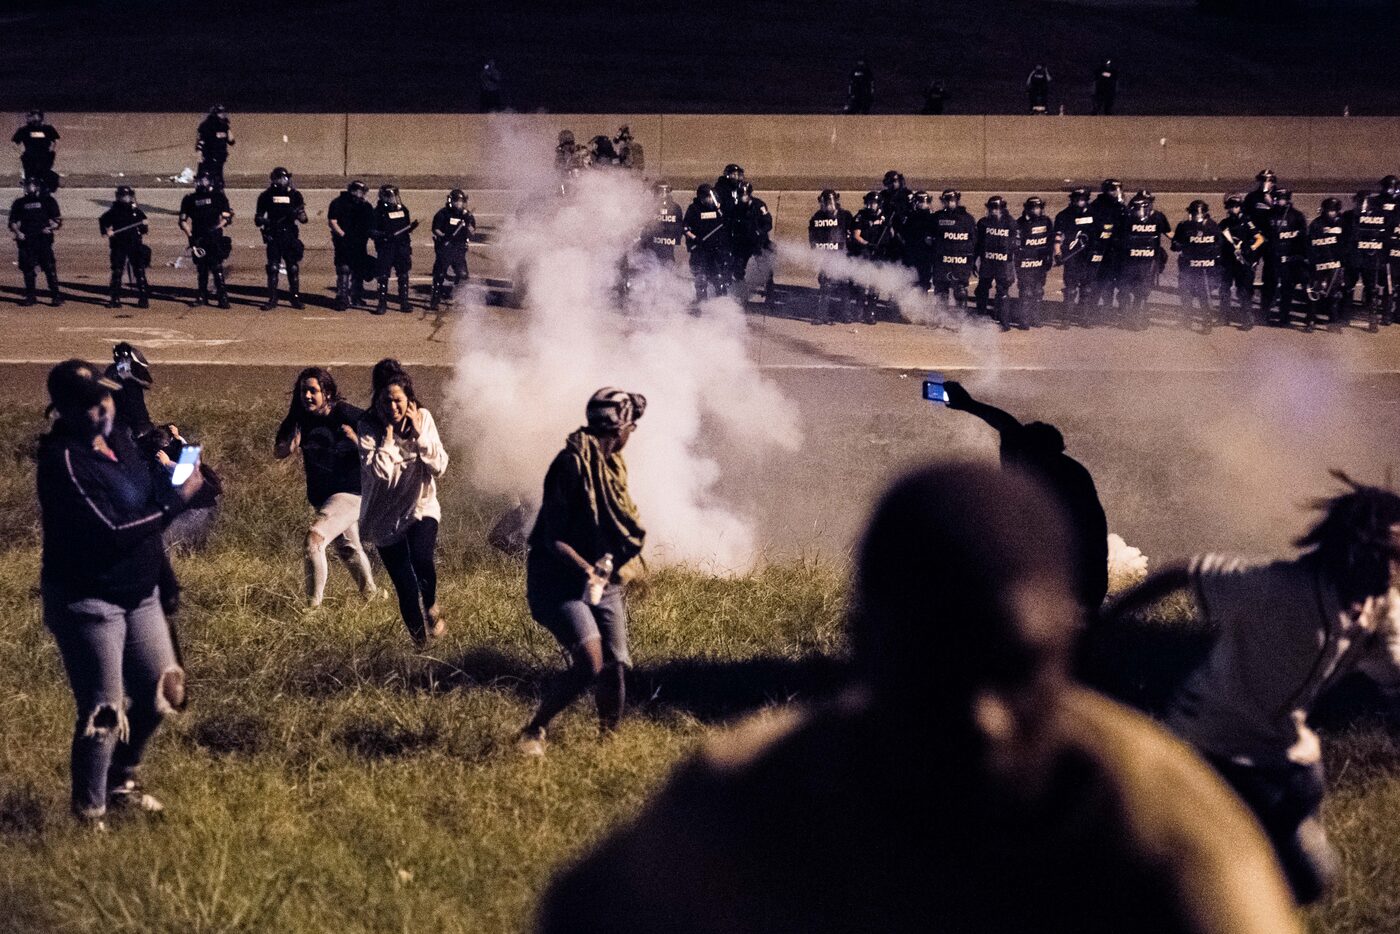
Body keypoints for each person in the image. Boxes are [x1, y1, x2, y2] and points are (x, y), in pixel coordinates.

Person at [538, 464, 1302, 934]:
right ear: (861, 647)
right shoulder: (745, 798)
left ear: (1071, 655)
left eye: (1015, 668)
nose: (982, 716)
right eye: (938, 663)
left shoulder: (1171, 838)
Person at [1103, 472, 1400, 906]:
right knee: (1183, 881)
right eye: (1392, 552)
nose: (1398, 566)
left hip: (1290, 765)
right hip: (1213, 751)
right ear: (1358, 551)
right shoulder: (1274, 589)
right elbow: (1186, 570)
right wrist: (1109, 620)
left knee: (1308, 881)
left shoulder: (1380, 609)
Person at [37, 360, 207, 828]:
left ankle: (121, 781)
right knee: (105, 710)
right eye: (88, 406)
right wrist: (177, 500)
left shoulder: (120, 444)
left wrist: (182, 463)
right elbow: (113, 531)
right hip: (88, 600)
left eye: (104, 399)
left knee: (163, 694)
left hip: (140, 592)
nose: (101, 410)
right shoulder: (63, 462)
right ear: (64, 411)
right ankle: (88, 815)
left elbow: (146, 506)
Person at [517, 388, 647, 757]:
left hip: (601, 580)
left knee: (615, 664)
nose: (630, 436)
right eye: (630, 428)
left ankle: (607, 746)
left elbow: (618, 526)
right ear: (618, 429)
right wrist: (589, 570)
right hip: (557, 582)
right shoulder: (571, 465)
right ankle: (534, 730)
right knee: (591, 662)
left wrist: (615, 567)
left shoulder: (612, 465)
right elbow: (552, 538)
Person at [942, 382, 1108, 615]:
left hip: (1074, 574)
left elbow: (1087, 537)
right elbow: (1007, 426)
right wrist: (968, 404)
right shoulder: (1025, 458)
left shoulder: (1067, 478)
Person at [356, 363, 448, 644]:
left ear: (409, 400)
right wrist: (387, 437)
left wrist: (420, 435)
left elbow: (440, 467)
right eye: (386, 401)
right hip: (385, 518)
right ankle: (421, 645)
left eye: (398, 400)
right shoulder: (368, 428)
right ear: (378, 402)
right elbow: (380, 474)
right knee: (406, 587)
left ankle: (431, 606)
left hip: (421, 505)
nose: (393, 407)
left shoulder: (424, 418)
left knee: (422, 559)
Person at [275, 367, 376, 608]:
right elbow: (277, 451)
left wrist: (357, 440)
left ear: (327, 393)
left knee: (314, 540)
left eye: (313, 391)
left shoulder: (345, 413)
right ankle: (371, 595)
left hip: (351, 493)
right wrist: (289, 447)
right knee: (348, 548)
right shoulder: (300, 419)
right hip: (323, 497)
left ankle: (312, 609)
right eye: (303, 391)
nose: (307, 396)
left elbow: (381, 438)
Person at [254, 167, 308, 310]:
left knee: (293, 267)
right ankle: (272, 298)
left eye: (285, 178)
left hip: (289, 234)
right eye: (279, 178)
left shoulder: (295, 195)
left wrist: (298, 213)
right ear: (273, 179)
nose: (283, 181)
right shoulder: (265, 196)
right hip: (274, 234)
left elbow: (304, 219)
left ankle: (295, 297)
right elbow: (258, 218)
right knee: (273, 267)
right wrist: (269, 222)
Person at [177, 170, 233, 308]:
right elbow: (183, 220)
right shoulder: (189, 199)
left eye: (204, 180)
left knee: (216, 267)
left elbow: (227, 217)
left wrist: (217, 227)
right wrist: (190, 236)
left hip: (213, 237)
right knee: (202, 268)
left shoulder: (218, 197)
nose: (201, 183)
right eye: (199, 180)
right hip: (198, 236)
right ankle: (202, 296)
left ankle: (222, 297)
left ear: (210, 182)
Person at [9, 174, 63, 307]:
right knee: (28, 269)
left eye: (30, 185)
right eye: (26, 185)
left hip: (43, 239)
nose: (27, 187)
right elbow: (12, 222)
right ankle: (31, 296)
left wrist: (50, 228)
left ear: (37, 186)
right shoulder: (19, 203)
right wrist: (18, 232)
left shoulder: (48, 201)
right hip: (26, 240)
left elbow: (57, 221)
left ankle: (56, 296)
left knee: (49, 267)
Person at [1115, 194, 1167, 328]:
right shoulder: (1126, 219)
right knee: (1125, 290)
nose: (1141, 211)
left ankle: (1138, 316)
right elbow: (1117, 238)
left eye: (1144, 208)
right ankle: (1126, 316)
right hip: (1128, 262)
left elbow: (1168, 233)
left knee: (1142, 292)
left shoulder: (1157, 218)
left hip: (1147, 262)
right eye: (1138, 208)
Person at [1171, 200, 1224, 331]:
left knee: (1204, 294)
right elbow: (1174, 245)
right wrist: (1178, 245)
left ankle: (1207, 322)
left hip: (1205, 267)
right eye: (1194, 213)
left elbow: (1220, 245)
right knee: (1185, 294)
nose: (1196, 216)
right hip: (1187, 266)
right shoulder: (1183, 226)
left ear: (1205, 213)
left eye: (1199, 213)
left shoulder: (1213, 226)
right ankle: (1186, 321)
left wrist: (1212, 253)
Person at [1262, 188, 1308, 327]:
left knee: (1287, 289)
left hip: (1289, 259)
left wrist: (1300, 257)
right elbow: (1262, 236)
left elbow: (1302, 238)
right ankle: (1265, 314)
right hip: (1272, 258)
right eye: (1278, 198)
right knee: (1269, 287)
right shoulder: (1268, 215)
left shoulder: (1297, 216)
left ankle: (1284, 316)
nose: (1280, 201)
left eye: (1283, 198)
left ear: (1288, 199)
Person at [98, 186, 150, 309]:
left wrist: (144, 225)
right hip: (118, 244)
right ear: (118, 197)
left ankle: (143, 298)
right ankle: (115, 299)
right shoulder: (114, 211)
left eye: (127, 196)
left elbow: (143, 228)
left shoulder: (136, 211)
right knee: (117, 271)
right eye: (123, 196)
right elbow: (102, 221)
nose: (126, 198)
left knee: (139, 271)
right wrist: (106, 231)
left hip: (134, 243)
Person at [1344, 190, 1389, 331]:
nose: (1363, 205)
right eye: (1360, 201)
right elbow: (1345, 236)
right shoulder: (1348, 216)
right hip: (1354, 256)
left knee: (1371, 288)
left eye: (1366, 202)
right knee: (1348, 285)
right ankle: (1345, 313)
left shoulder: (1380, 217)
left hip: (1371, 256)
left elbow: (1383, 235)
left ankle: (1372, 317)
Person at [1217, 195, 1264, 329]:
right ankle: (1224, 317)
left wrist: (1250, 249)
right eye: (1231, 206)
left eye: (1236, 206)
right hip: (1228, 261)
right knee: (1224, 289)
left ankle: (1247, 319)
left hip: (1242, 262)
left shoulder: (1247, 222)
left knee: (1243, 291)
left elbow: (1259, 239)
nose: (1234, 209)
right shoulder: (1224, 223)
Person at [370, 184, 417, 314]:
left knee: (403, 274)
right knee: (383, 276)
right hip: (386, 247)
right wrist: (383, 235)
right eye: (391, 196)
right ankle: (382, 304)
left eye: (395, 196)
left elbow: (406, 227)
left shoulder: (403, 210)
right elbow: (372, 231)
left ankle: (404, 302)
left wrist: (410, 228)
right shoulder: (378, 212)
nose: (394, 199)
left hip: (401, 247)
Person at [808, 189, 853, 324]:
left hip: (841, 255)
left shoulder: (845, 215)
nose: (829, 205)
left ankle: (846, 315)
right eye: (826, 202)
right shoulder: (817, 217)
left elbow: (851, 233)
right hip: (826, 256)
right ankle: (822, 316)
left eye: (830, 202)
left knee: (844, 286)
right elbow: (813, 236)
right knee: (826, 286)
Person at [328, 180, 374, 310]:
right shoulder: (338, 203)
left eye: (363, 192)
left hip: (360, 241)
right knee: (344, 268)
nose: (362, 194)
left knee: (358, 268)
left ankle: (356, 295)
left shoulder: (366, 206)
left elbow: (371, 224)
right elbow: (332, 221)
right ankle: (342, 297)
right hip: (344, 241)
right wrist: (343, 235)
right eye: (360, 191)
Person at [974, 196, 1019, 328]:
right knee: (981, 290)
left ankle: (1004, 322)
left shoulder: (1011, 223)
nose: (994, 211)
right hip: (987, 263)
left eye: (997, 208)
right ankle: (981, 317)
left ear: (1003, 208)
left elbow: (1016, 245)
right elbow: (978, 244)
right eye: (992, 208)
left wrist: (1013, 264)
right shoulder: (983, 223)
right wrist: (974, 260)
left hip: (1003, 265)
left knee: (1002, 292)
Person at [683, 184, 731, 301]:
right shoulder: (694, 209)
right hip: (700, 249)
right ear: (701, 197)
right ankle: (702, 304)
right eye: (708, 197)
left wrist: (721, 211)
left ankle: (722, 304)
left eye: (712, 197)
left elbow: (726, 223)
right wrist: (695, 238)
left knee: (719, 278)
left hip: (715, 249)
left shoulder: (717, 209)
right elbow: (685, 228)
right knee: (701, 279)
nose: (710, 200)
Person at [1054, 187, 1096, 322]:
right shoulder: (1063, 215)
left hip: (1089, 256)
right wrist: (1058, 253)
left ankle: (1084, 318)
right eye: (1077, 199)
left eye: (1083, 200)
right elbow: (1058, 236)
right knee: (1071, 289)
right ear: (1072, 200)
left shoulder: (1095, 214)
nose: (1080, 202)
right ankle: (1066, 318)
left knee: (1087, 289)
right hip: (1072, 256)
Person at [430, 189, 476, 310]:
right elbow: (435, 229)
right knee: (439, 274)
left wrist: (469, 227)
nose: (459, 204)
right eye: (457, 201)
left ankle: (457, 296)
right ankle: (435, 299)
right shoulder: (443, 213)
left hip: (459, 249)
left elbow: (472, 232)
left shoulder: (467, 216)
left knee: (463, 274)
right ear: (451, 201)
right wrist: (444, 236)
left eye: (461, 201)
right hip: (445, 247)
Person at [1086, 179, 1125, 319]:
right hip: (1100, 248)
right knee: (1097, 280)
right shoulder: (1097, 206)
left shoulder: (1120, 205)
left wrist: (1121, 204)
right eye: (1113, 190)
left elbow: (1125, 221)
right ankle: (1092, 309)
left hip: (1115, 249)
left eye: (1119, 189)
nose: (1116, 193)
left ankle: (1109, 308)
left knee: (1113, 281)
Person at [1307, 198, 1347, 332]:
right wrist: (1314, 261)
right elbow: (1311, 245)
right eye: (1330, 211)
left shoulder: (1342, 223)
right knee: (1315, 292)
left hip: (1336, 264)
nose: (1332, 213)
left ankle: (1333, 322)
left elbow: (1345, 244)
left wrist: (1341, 262)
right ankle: (1311, 320)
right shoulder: (1316, 224)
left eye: (1334, 211)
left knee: (1334, 294)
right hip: (1320, 264)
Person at [849, 190, 888, 323]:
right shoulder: (861, 216)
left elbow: (891, 235)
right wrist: (867, 244)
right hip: (865, 253)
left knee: (875, 284)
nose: (871, 206)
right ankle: (859, 311)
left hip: (879, 255)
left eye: (874, 204)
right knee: (861, 283)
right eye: (869, 203)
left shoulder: (885, 217)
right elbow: (856, 235)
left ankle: (871, 313)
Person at [932, 189, 976, 308]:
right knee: (941, 291)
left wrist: (971, 261)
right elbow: (930, 238)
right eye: (947, 201)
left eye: (952, 200)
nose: (950, 203)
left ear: (957, 201)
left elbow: (973, 241)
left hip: (960, 261)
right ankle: (942, 317)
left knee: (960, 291)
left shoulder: (967, 219)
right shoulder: (937, 217)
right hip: (942, 261)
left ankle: (960, 319)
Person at [1016, 196, 1054, 327]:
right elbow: (1016, 245)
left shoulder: (1047, 222)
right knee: (1026, 292)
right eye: (1032, 208)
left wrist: (1049, 257)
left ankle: (1036, 318)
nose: (1035, 211)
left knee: (1038, 291)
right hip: (1025, 263)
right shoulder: (1020, 223)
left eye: (1038, 208)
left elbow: (1050, 242)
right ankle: (1024, 320)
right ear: (1027, 209)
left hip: (1040, 262)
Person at [728, 182, 773, 288]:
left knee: (765, 267)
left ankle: (769, 289)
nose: (743, 197)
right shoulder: (735, 208)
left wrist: (759, 232)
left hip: (758, 241)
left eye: (745, 194)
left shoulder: (759, 205)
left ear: (750, 194)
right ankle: (741, 291)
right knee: (737, 268)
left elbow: (768, 223)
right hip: (742, 243)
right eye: (741, 194)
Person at [901, 190, 939, 294]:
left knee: (923, 280)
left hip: (924, 253)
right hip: (912, 252)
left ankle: (921, 304)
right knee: (910, 280)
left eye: (925, 202)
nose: (924, 205)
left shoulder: (932, 217)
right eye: (921, 202)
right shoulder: (910, 216)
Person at [12, 109, 59, 191]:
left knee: (45, 178)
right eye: (29, 116)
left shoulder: (48, 129)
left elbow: (55, 141)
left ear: (39, 117)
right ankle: (29, 194)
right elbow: (14, 143)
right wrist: (21, 154)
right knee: (30, 179)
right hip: (30, 159)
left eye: (32, 116)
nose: (29, 118)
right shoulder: (24, 130)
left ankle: (44, 193)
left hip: (45, 159)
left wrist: (52, 152)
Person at [641, 181, 684, 266]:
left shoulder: (674, 208)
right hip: (655, 247)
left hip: (664, 247)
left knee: (664, 267)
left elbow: (678, 227)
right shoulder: (651, 207)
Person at [194, 105, 234, 190]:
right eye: (220, 113)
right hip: (208, 156)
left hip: (220, 157)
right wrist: (199, 153)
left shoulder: (224, 125)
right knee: (205, 177)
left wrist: (227, 128)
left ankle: (218, 194)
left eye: (223, 112)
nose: (223, 115)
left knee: (218, 179)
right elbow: (200, 140)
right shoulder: (206, 125)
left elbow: (231, 141)